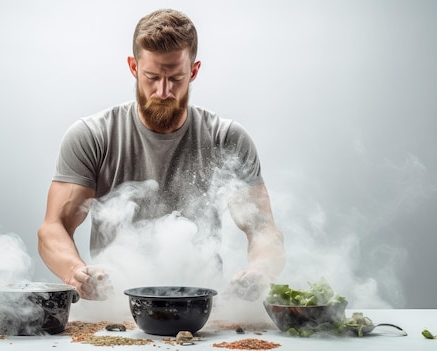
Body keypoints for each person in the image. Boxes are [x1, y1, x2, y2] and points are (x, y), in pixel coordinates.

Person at [38, 8, 285, 301]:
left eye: (176, 78)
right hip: (115, 307)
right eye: (152, 77)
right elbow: (53, 228)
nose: (163, 90)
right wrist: (76, 271)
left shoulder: (226, 138)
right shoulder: (92, 136)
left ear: (193, 71)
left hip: (204, 311)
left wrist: (260, 271)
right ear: (133, 67)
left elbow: (263, 230)